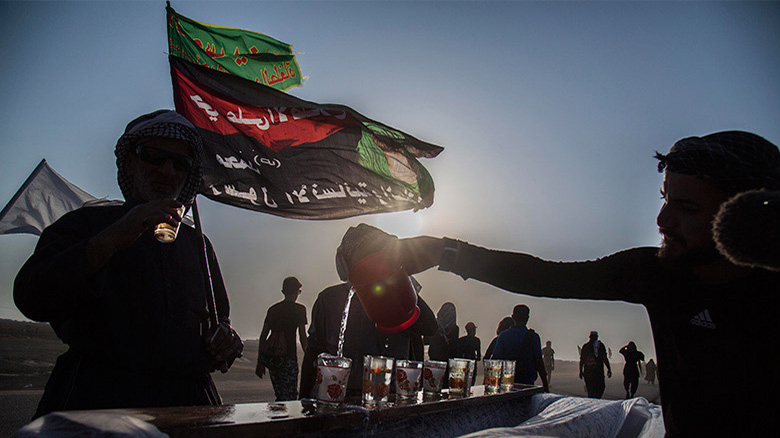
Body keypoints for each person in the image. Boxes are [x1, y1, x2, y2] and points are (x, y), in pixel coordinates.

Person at [340, 131, 780, 436]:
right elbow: (546, 275)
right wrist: (442, 251)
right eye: (664, 200)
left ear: (747, 215)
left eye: (686, 208)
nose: (663, 221)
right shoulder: (656, 274)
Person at [13, 110, 243, 418]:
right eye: (153, 156)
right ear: (130, 162)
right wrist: (117, 235)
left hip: (187, 404)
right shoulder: (87, 224)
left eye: (180, 164)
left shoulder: (197, 243)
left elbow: (219, 320)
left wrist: (226, 339)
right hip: (97, 401)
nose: (167, 171)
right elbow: (32, 296)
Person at [299, 282, 437, 398]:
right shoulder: (330, 298)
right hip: (337, 395)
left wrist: (401, 283)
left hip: (386, 397)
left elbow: (430, 327)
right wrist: (303, 400)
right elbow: (314, 352)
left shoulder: (399, 297)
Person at [256, 276, 308, 401]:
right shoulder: (299, 310)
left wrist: (260, 361)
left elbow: (263, 336)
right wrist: (308, 356)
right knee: (290, 397)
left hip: (273, 359)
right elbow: (302, 336)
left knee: (279, 395)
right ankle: (286, 419)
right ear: (296, 291)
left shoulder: (273, 310)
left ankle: (277, 417)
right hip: (289, 358)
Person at [491, 305, 549, 392]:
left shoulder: (503, 336)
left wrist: (492, 384)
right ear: (527, 318)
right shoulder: (533, 337)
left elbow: (495, 360)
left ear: (513, 317)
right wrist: (545, 385)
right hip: (527, 382)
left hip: (507, 382)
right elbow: (539, 362)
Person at [579, 331, 612, 398]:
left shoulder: (586, 346)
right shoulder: (600, 346)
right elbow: (604, 358)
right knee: (599, 389)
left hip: (589, 371)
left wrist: (580, 371)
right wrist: (609, 369)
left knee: (591, 390)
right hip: (597, 372)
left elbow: (582, 360)